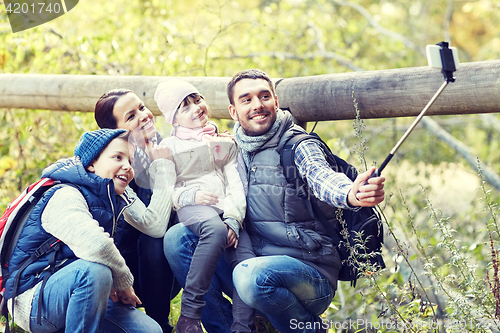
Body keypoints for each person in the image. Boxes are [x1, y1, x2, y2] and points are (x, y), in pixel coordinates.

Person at [226, 69, 386, 333]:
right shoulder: (233, 148)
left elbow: (320, 176)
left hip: (310, 269)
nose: (258, 105)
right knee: (181, 242)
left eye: (264, 96)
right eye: (247, 99)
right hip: (255, 260)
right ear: (234, 111)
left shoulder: (298, 145)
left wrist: (351, 194)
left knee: (251, 276)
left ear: (276, 101)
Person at [94, 89, 234, 333]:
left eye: (141, 107)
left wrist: (216, 142)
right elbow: (155, 225)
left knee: (177, 235)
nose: (144, 116)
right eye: (131, 116)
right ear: (116, 132)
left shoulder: (159, 142)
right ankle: (160, 324)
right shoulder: (115, 166)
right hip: (125, 278)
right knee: (155, 239)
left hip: (166, 271)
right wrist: (163, 166)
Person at [3, 129, 162, 332]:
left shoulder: (110, 201)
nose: (127, 167)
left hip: (78, 294)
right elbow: (97, 245)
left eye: (130, 161)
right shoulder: (65, 195)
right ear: (92, 163)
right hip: (34, 301)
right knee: (95, 271)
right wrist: (122, 281)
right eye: (118, 157)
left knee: (150, 331)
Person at [154, 79, 255, 333]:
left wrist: (233, 218)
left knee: (246, 263)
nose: (195, 108)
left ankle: (242, 328)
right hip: (193, 208)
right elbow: (167, 192)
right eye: (184, 107)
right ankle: (189, 314)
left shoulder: (223, 141)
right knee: (214, 229)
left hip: (226, 209)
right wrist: (192, 195)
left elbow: (235, 186)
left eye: (197, 100)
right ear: (173, 120)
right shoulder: (169, 147)